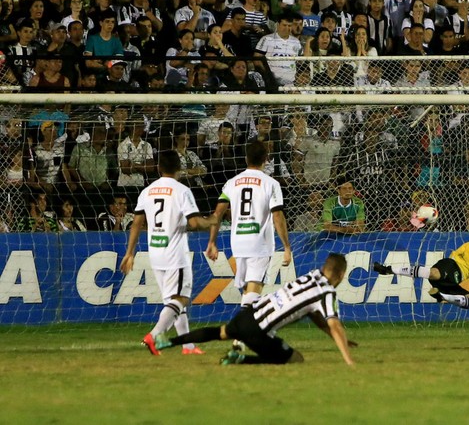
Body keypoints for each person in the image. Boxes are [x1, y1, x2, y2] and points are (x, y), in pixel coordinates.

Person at [153, 253, 356, 365]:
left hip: (248, 313)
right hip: (258, 330)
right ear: (341, 274)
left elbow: (314, 315)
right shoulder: (326, 291)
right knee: (295, 359)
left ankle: (169, 341)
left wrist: (337, 337)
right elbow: (334, 324)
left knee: (221, 332)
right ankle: (241, 359)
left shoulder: (311, 276)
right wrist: (348, 359)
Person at [120, 150, 218, 356]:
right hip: (175, 253)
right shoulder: (181, 191)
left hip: (155, 252)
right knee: (181, 298)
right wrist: (211, 221)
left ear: (158, 168)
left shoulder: (147, 191)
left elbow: (137, 223)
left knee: (172, 301)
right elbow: (193, 222)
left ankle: (188, 346)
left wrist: (130, 253)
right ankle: (154, 335)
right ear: (179, 169)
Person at [206, 141, 292, 308]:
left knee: (248, 290)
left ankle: (244, 331)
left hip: (238, 242)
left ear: (246, 158)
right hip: (259, 242)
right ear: (266, 159)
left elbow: (217, 214)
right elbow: (277, 214)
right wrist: (286, 246)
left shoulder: (231, 183)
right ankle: (240, 332)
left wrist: (212, 242)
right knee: (254, 288)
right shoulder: (271, 184)